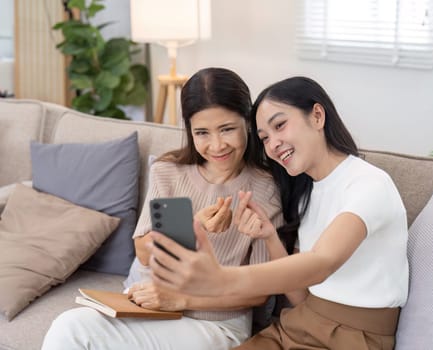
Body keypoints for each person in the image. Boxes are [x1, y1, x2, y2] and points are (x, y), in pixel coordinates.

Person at [145, 76, 409, 350]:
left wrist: (222, 279)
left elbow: (323, 263)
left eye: (280, 125)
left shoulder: (369, 183)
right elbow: (302, 297)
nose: (272, 145)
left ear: (317, 116)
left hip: (353, 338)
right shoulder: (306, 192)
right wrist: (270, 237)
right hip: (297, 325)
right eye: (264, 138)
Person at [41, 67, 283, 350]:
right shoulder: (168, 171)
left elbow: (258, 293)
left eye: (227, 129)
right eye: (202, 132)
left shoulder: (265, 188)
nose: (217, 145)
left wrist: (180, 300)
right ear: (190, 131)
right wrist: (193, 226)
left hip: (213, 322)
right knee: (69, 327)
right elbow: (143, 252)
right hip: (147, 307)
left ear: (248, 123)